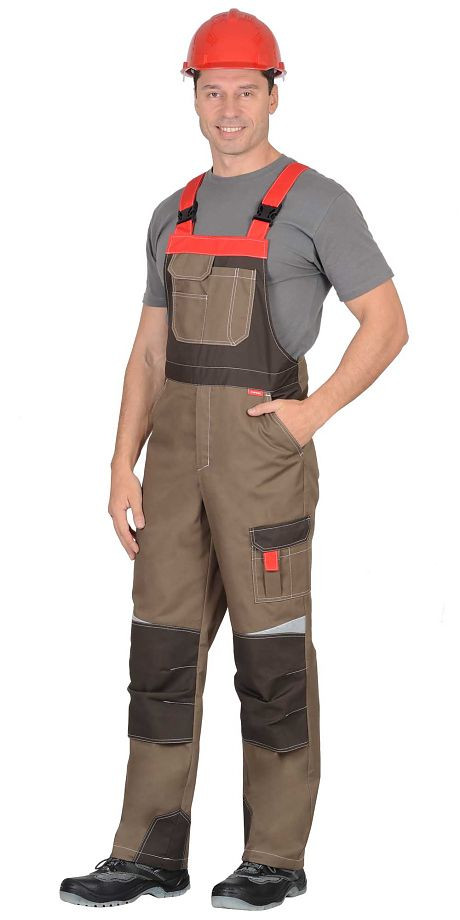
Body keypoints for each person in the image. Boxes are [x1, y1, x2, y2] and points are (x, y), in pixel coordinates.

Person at [59, 7, 408, 912]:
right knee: (160, 654)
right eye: (212, 92)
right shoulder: (170, 212)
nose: (228, 110)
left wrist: (310, 416)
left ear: (273, 93)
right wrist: (121, 464)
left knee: (272, 656)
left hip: (262, 461)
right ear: (193, 96)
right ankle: (148, 851)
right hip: (173, 464)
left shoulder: (317, 202)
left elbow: (387, 324)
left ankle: (275, 858)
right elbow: (148, 352)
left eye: (245, 92)